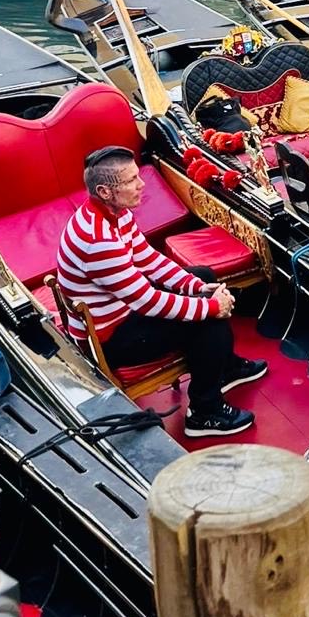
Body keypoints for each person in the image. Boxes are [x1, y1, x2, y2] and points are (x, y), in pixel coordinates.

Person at [58, 146, 266, 438]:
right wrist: (211, 307)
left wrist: (197, 287)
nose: (142, 184)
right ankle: (204, 412)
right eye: (131, 180)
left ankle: (224, 368)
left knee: (202, 276)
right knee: (208, 323)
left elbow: (149, 260)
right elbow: (146, 300)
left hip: (122, 310)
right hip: (111, 337)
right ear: (105, 191)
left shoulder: (115, 214)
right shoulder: (98, 240)